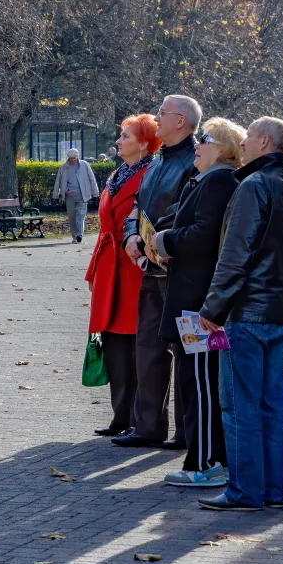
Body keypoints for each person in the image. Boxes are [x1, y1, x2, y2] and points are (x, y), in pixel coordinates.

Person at [196, 117, 283, 512]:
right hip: (281, 309)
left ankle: (245, 491)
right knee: (272, 405)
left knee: (239, 403)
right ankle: (273, 491)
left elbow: (235, 254)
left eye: (246, 140)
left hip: (247, 312)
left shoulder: (254, 185)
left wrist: (213, 307)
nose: (240, 146)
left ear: (264, 142)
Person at [150, 118, 245, 487]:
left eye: (204, 139)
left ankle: (206, 464)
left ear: (221, 147)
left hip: (199, 306)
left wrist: (164, 243)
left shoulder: (219, 179)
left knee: (202, 383)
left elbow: (203, 235)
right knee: (200, 380)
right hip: (198, 302)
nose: (197, 144)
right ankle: (206, 458)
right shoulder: (206, 178)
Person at [113, 95, 200, 449]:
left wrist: (156, 241)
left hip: (182, 270)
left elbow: (187, 209)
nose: (158, 118)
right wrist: (131, 237)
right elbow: (137, 206)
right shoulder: (158, 161)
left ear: (180, 121)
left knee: (187, 352)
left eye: (163, 113)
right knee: (147, 349)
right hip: (151, 267)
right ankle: (147, 425)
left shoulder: (196, 162)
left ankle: (187, 431)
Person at [85, 114, 160, 436]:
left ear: (144, 143)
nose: (118, 141)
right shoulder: (117, 175)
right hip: (109, 267)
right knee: (113, 342)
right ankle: (120, 416)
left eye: (126, 136)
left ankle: (137, 418)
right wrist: (94, 270)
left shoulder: (152, 174)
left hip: (133, 269)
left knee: (136, 344)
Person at [53, 148, 100, 243]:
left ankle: (79, 235)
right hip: (69, 195)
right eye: (70, 158)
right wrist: (59, 193)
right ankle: (74, 236)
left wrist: (95, 192)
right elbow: (58, 181)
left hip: (82, 195)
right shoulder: (64, 167)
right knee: (72, 216)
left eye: (74, 158)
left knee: (81, 215)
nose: (72, 160)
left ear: (77, 157)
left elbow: (91, 178)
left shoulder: (84, 165)